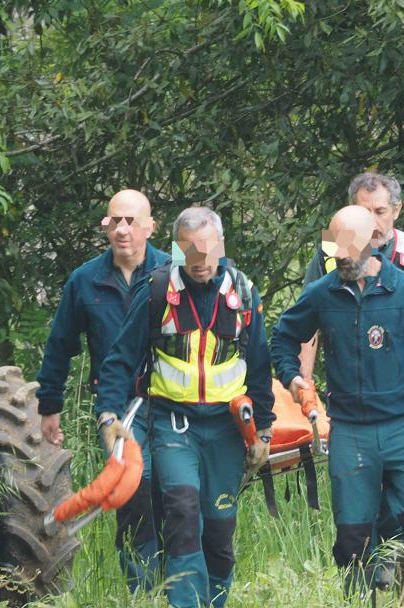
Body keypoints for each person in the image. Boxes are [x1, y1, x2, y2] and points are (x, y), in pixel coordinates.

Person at [270, 206, 404, 606]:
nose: (340, 257)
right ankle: (360, 600)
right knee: (353, 538)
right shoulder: (322, 293)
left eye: (348, 249)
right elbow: (282, 338)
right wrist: (292, 376)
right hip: (350, 431)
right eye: (334, 249)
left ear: (375, 239)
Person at [95, 206, 275, 608]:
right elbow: (120, 360)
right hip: (174, 426)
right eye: (190, 250)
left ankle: (214, 600)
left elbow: (261, 369)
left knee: (219, 529)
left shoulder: (242, 293)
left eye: (208, 250)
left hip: (227, 431)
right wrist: (108, 415)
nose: (200, 260)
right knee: (182, 516)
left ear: (222, 247)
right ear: (176, 250)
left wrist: (263, 431)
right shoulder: (157, 291)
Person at [35, 189, 169, 591]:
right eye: (114, 221)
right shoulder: (85, 280)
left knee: (174, 490)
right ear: (105, 226)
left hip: (173, 401)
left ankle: (179, 586)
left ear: (150, 226)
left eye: (131, 220)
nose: (122, 229)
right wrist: (50, 407)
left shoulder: (173, 270)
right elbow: (60, 345)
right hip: (117, 406)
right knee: (133, 491)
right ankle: (142, 590)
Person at [299, 172, 404, 407]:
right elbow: (305, 323)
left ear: (396, 210)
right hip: (346, 385)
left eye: (380, 212)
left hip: (403, 383)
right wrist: (304, 384)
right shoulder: (331, 248)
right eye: (364, 212)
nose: (371, 222)